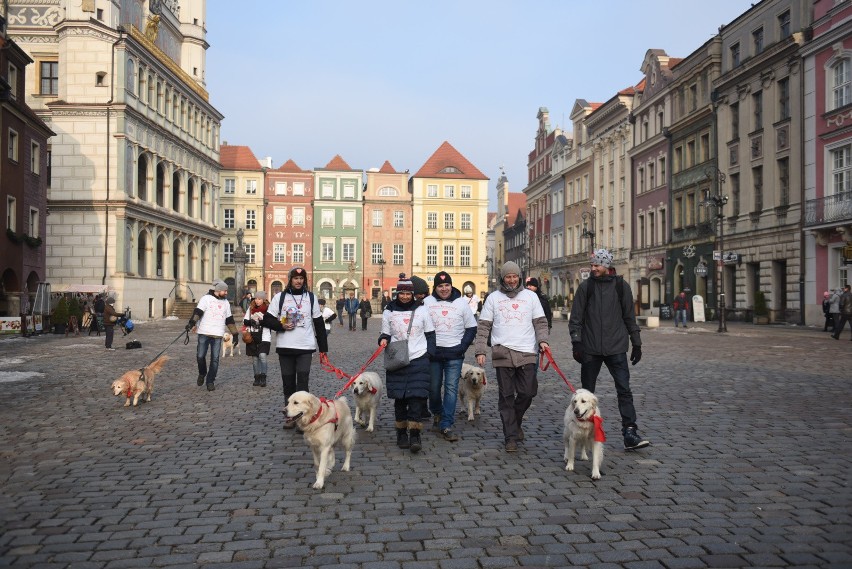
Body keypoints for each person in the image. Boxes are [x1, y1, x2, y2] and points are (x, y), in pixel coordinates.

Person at [569, 248, 649, 450]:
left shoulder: (621, 286)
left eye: (596, 265)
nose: (593, 268)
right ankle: (583, 434)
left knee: (624, 390)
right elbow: (576, 318)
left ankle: (630, 432)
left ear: (606, 265)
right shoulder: (586, 287)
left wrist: (636, 342)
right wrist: (576, 342)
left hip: (616, 348)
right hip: (590, 348)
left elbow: (629, 317)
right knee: (586, 394)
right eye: (592, 265)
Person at [474, 261, 549, 452]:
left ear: (519, 277)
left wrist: (543, 341)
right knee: (506, 397)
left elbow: (540, 322)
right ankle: (510, 437)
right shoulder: (493, 298)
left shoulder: (531, 297)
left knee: (528, 392)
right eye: (508, 276)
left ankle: (514, 422)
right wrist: (481, 350)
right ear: (503, 278)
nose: (512, 280)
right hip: (502, 352)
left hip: (527, 352)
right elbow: (483, 327)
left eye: (515, 276)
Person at [261, 267, 328, 428]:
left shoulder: (310, 298)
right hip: (285, 347)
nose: (298, 281)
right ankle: (290, 418)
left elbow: (319, 324)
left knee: (303, 384)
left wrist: (323, 348)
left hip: (305, 347)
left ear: (304, 280)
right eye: (295, 278)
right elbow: (267, 320)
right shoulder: (280, 297)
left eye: (301, 278)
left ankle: (302, 420)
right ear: (290, 279)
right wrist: (281, 325)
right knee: (288, 383)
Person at [379, 274, 435, 453]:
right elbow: (385, 333)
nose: (404, 296)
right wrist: (383, 340)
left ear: (412, 294)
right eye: (401, 293)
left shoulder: (422, 310)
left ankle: (415, 434)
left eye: (408, 293)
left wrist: (429, 354)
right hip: (398, 358)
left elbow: (430, 334)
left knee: (417, 398)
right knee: (400, 399)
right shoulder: (389, 311)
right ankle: (401, 432)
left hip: (418, 358)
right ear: (397, 293)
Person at [423, 271, 477, 441]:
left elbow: (471, 327)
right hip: (434, 353)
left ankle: (446, 423)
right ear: (435, 287)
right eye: (440, 286)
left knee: (451, 389)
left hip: (455, 354)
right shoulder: (427, 302)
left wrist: (462, 347)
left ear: (451, 286)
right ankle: (437, 413)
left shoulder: (461, 303)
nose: (444, 289)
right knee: (433, 388)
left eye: (447, 285)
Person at [185, 280, 240, 391]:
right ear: (218, 290)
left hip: (218, 334)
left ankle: (210, 381)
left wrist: (235, 333)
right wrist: (192, 323)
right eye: (225, 291)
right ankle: (202, 373)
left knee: (215, 359)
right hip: (204, 332)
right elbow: (198, 312)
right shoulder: (206, 299)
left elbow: (229, 320)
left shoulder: (226, 303)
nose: (226, 293)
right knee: (200, 356)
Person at [243, 291, 271, 387]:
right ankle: (257, 377)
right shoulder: (251, 308)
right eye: (256, 298)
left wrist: (261, 321)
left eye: (259, 299)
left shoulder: (268, 309)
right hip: (253, 336)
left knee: (262, 356)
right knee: (255, 359)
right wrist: (251, 322)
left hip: (265, 336)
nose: (257, 301)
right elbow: (245, 321)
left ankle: (263, 377)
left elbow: (271, 321)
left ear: (263, 299)